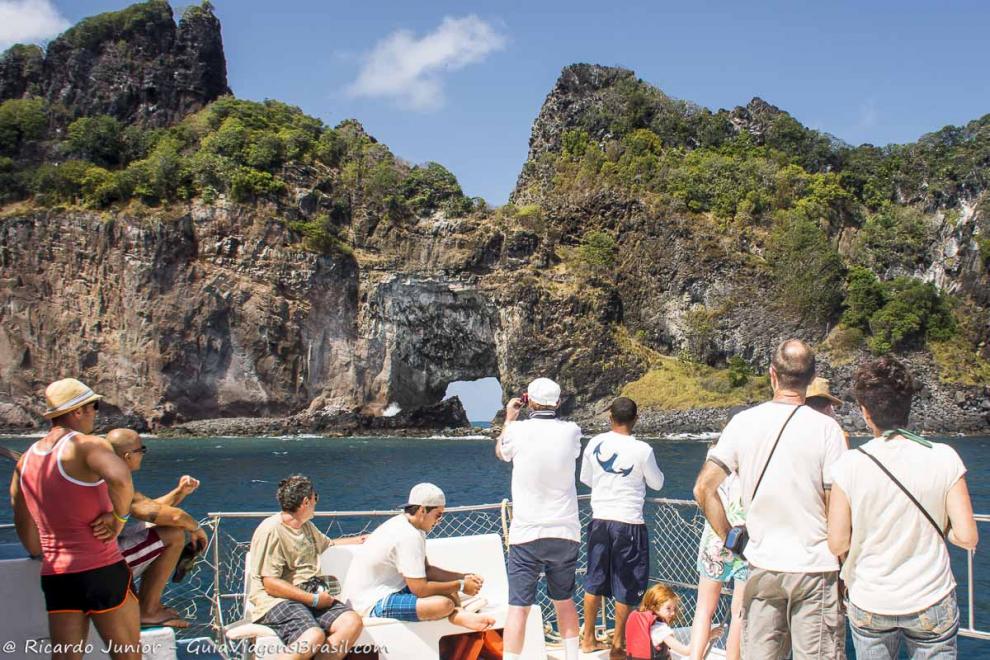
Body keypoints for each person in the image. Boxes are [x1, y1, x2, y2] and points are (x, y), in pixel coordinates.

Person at [693, 339, 846, 659]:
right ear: (811, 377)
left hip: (761, 566)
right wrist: (844, 568)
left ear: (772, 375)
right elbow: (837, 506)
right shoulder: (828, 430)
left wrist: (733, 541)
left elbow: (703, 489)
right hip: (815, 569)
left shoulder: (743, 423)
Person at [828, 357, 978, 659]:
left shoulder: (849, 465)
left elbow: (837, 542)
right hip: (930, 597)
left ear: (865, 412)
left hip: (871, 600)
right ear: (908, 405)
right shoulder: (944, 457)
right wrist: (944, 526)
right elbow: (967, 537)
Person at [9, 378, 140, 660]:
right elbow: (121, 479)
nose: (96, 412)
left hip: (57, 575)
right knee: (128, 655)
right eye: (93, 406)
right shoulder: (86, 446)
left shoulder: (27, 459)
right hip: (101, 568)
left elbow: (21, 514)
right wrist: (118, 519)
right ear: (77, 411)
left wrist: (36, 550)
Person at [495, 377, 583, 660]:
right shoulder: (572, 431)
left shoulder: (517, 431)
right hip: (565, 532)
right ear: (557, 403)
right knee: (565, 601)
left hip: (527, 534)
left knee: (518, 607)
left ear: (528, 400)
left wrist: (509, 418)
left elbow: (501, 453)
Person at [345, 483, 495, 632]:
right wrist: (461, 585)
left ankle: (459, 614)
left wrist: (463, 576)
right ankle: (455, 614)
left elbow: (427, 570)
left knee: (447, 586)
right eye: (438, 515)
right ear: (423, 510)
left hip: (388, 589)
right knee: (444, 604)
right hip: (370, 603)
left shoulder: (411, 526)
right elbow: (420, 589)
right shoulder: (408, 536)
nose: (439, 521)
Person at [579, 397, 664, 658]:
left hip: (599, 520)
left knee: (594, 580)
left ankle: (588, 640)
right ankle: (618, 645)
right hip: (628, 523)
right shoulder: (642, 449)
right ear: (636, 419)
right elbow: (657, 483)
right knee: (626, 587)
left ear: (610, 417)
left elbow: (586, 478)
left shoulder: (594, 443)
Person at [248, 475, 365, 660]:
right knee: (313, 636)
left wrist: (362, 540)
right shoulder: (272, 530)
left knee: (352, 622)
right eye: (315, 498)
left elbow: (329, 544)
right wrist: (314, 600)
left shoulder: (306, 527)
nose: (315, 502)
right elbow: (270, 583)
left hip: (310, 595)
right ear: (305, 502)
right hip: (278, 601)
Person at [105, 428, 208, 628]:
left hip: (101, 549)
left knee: (166, 525)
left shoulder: (106, 474)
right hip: (107, 560)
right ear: (127, 456)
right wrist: (196, 528)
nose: (143, 453)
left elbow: (151, 508)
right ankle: (148, 610)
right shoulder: (116, 481)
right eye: (141, 449)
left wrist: (180, 492)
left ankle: (148, 606)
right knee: (174, 534)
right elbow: (173, 516)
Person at [687, 406, 748, 660]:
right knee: (740, 611)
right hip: (746, 540)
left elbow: (703, 491)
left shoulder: (714, 453)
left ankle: (695, 657)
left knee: (704, 607)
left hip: (714, 537)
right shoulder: (753, 454)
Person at [625, 584, 723, 660]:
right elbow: (687, 651)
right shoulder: (660, 630)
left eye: (674, 608)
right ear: (654, 606)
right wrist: (709, 636)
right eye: (668, 608)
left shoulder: (641, 622)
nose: (672, 613)